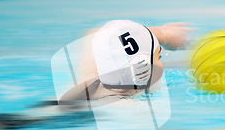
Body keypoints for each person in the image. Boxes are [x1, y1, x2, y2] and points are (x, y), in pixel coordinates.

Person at [59, 20, 191, 103]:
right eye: (158, 57)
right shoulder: (126, 108)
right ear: (143, 68)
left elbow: (98, 35)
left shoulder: (88, 82)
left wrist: (163, 33)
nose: (161, 64)